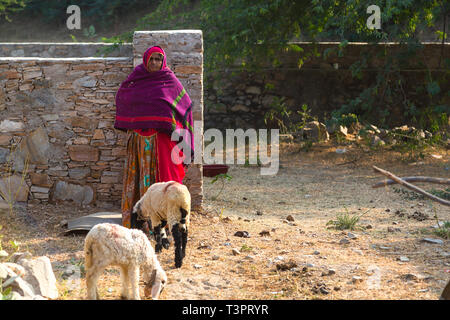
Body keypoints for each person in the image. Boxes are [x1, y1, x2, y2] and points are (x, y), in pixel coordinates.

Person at [114, 46, 194, 229]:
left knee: (165, 180)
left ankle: (165, 220)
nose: (155, 63)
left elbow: (185, 106)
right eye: (152, 59)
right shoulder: (136, 79)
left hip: (162, 142)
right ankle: (140, 219)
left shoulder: (170, 81)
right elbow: (123, 97)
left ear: (163, 61)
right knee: (140, 180)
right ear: (145, 60)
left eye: (158, 59)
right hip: (139, 143)